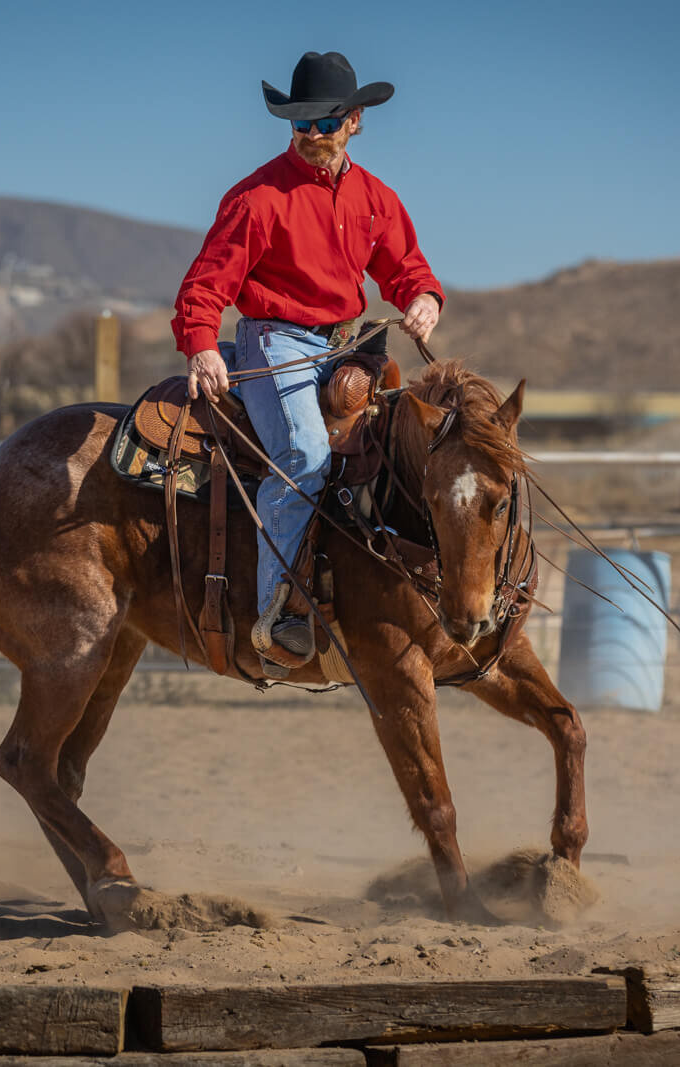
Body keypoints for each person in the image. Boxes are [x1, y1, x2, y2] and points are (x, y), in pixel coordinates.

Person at [171, 50, 445, 676]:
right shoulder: (257, 197)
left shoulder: (376, 198)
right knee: (304, 458)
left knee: (407, 451)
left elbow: (405, 269)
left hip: (348, 343)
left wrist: (423, 299)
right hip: (276, 342)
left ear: (355, 121)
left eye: (326, 123)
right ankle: (278, 615)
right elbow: (207, 283)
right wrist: (203, 343)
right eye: (302, 125)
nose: (314, 135)